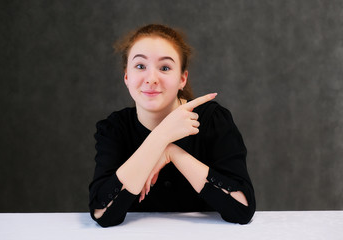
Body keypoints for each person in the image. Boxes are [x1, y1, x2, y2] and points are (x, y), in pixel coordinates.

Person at [89, 24, 256, 227]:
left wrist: (172, 152)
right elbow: (102, 214)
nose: (151, 79)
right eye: (140, 66)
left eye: (165, 68)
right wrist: (160, 138)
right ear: (126, 77)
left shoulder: (212, 120)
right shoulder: (114, 128)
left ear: (182, 79)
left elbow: (242, 210)